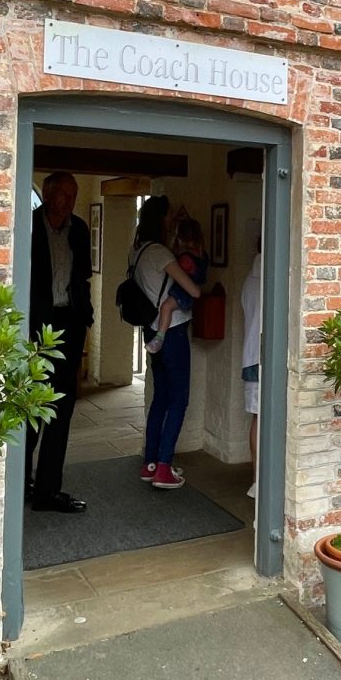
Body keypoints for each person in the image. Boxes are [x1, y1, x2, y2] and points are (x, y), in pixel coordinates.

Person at [26, 171, 94, 513]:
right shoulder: (28, 225)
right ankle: (20, 482)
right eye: (63, 194)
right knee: (30, 406)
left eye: (73, 194)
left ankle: (48, 491)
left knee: (62, 408)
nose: (69, 201)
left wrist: (86, 316)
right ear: (48, 195)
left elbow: (82, 277)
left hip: (69, 323)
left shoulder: (79, 229)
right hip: (34, 327)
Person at [130, 198, 203, 488]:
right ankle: (164, 467)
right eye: (169, 216)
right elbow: (193, 290)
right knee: (178, 399)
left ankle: (150, 462)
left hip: (151, 331)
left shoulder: (137, 250)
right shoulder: (160, 253)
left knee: (160, 397)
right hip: (173, 331)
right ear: (161, 219)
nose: (172, 220)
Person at [145, 218, 208, 355]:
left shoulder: (185, 258)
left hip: (182, 292)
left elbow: (178, 271)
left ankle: (159, 338)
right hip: (189, 293)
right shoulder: (202, 255)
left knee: (166, 307)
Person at [241, 239, 262, 500]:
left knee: (258, 418)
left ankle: (257, 478)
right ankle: (259, 481)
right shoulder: (269, 279)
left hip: (251, 355)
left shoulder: (249, 279)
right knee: (264, 419)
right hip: (262, 356)